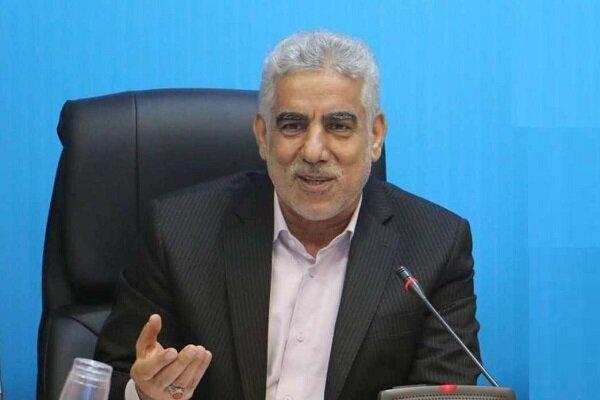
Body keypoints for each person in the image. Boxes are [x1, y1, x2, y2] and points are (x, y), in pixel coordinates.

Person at [95, 30, 481, 400]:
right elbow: (109, 377)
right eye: (293, 125)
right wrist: (143, 393)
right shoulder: (178, 231)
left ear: (375, 135)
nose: (313, 151)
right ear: (263, 135)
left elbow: (442, 392)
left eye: (339, 126)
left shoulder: (435, 246)